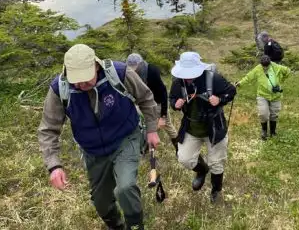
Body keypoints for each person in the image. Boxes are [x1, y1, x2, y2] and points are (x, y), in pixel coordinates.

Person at [38, 44, 160, 230]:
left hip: (125, 138)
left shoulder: (120, 73)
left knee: (125, 188)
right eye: (76, 81)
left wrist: (152, 129)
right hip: (93, 151)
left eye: (86, 79)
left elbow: (146, 97)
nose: (81, 85)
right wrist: (54, 165)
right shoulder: (59, 89)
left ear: (96, 66)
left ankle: (135, 226)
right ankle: (116, 226)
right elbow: (48, 129)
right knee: (101, 202)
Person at [169, 52, 237, 202]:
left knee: (216, 163)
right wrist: (175, 104)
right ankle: (202, 170)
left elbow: (231, 91)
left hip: (214, 128)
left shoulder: (213, 79)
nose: (187, 77)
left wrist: (219, 99)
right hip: (191, 128)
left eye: (191, 73)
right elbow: (172, 99)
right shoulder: (178, 82)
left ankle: (216, 190)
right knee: (184, 159)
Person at [125, 53, 179, 153]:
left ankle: (179, 148)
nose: (134, 70)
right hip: (143, 104)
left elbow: (163, 93)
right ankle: (146, 148)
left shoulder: (152, 72)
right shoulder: (130, 74)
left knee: (167, 126)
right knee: (147, 125)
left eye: (135, 67)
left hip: (158, 103)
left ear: (140, 64)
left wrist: (163, 116)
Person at [236, 55, 292, 140]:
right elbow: (248, 77)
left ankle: (273, 132)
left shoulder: (277, 67)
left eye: (267, 65)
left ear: (270, 63)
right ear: (261, 64)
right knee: (263, 114)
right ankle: (264, 131)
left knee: (274, 115)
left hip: (276, 95)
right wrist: (240, 83)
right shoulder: (258, 69)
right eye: (263, 66)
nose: (265, 67)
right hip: (262, 95)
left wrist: (281, 81)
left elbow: (288, 71)